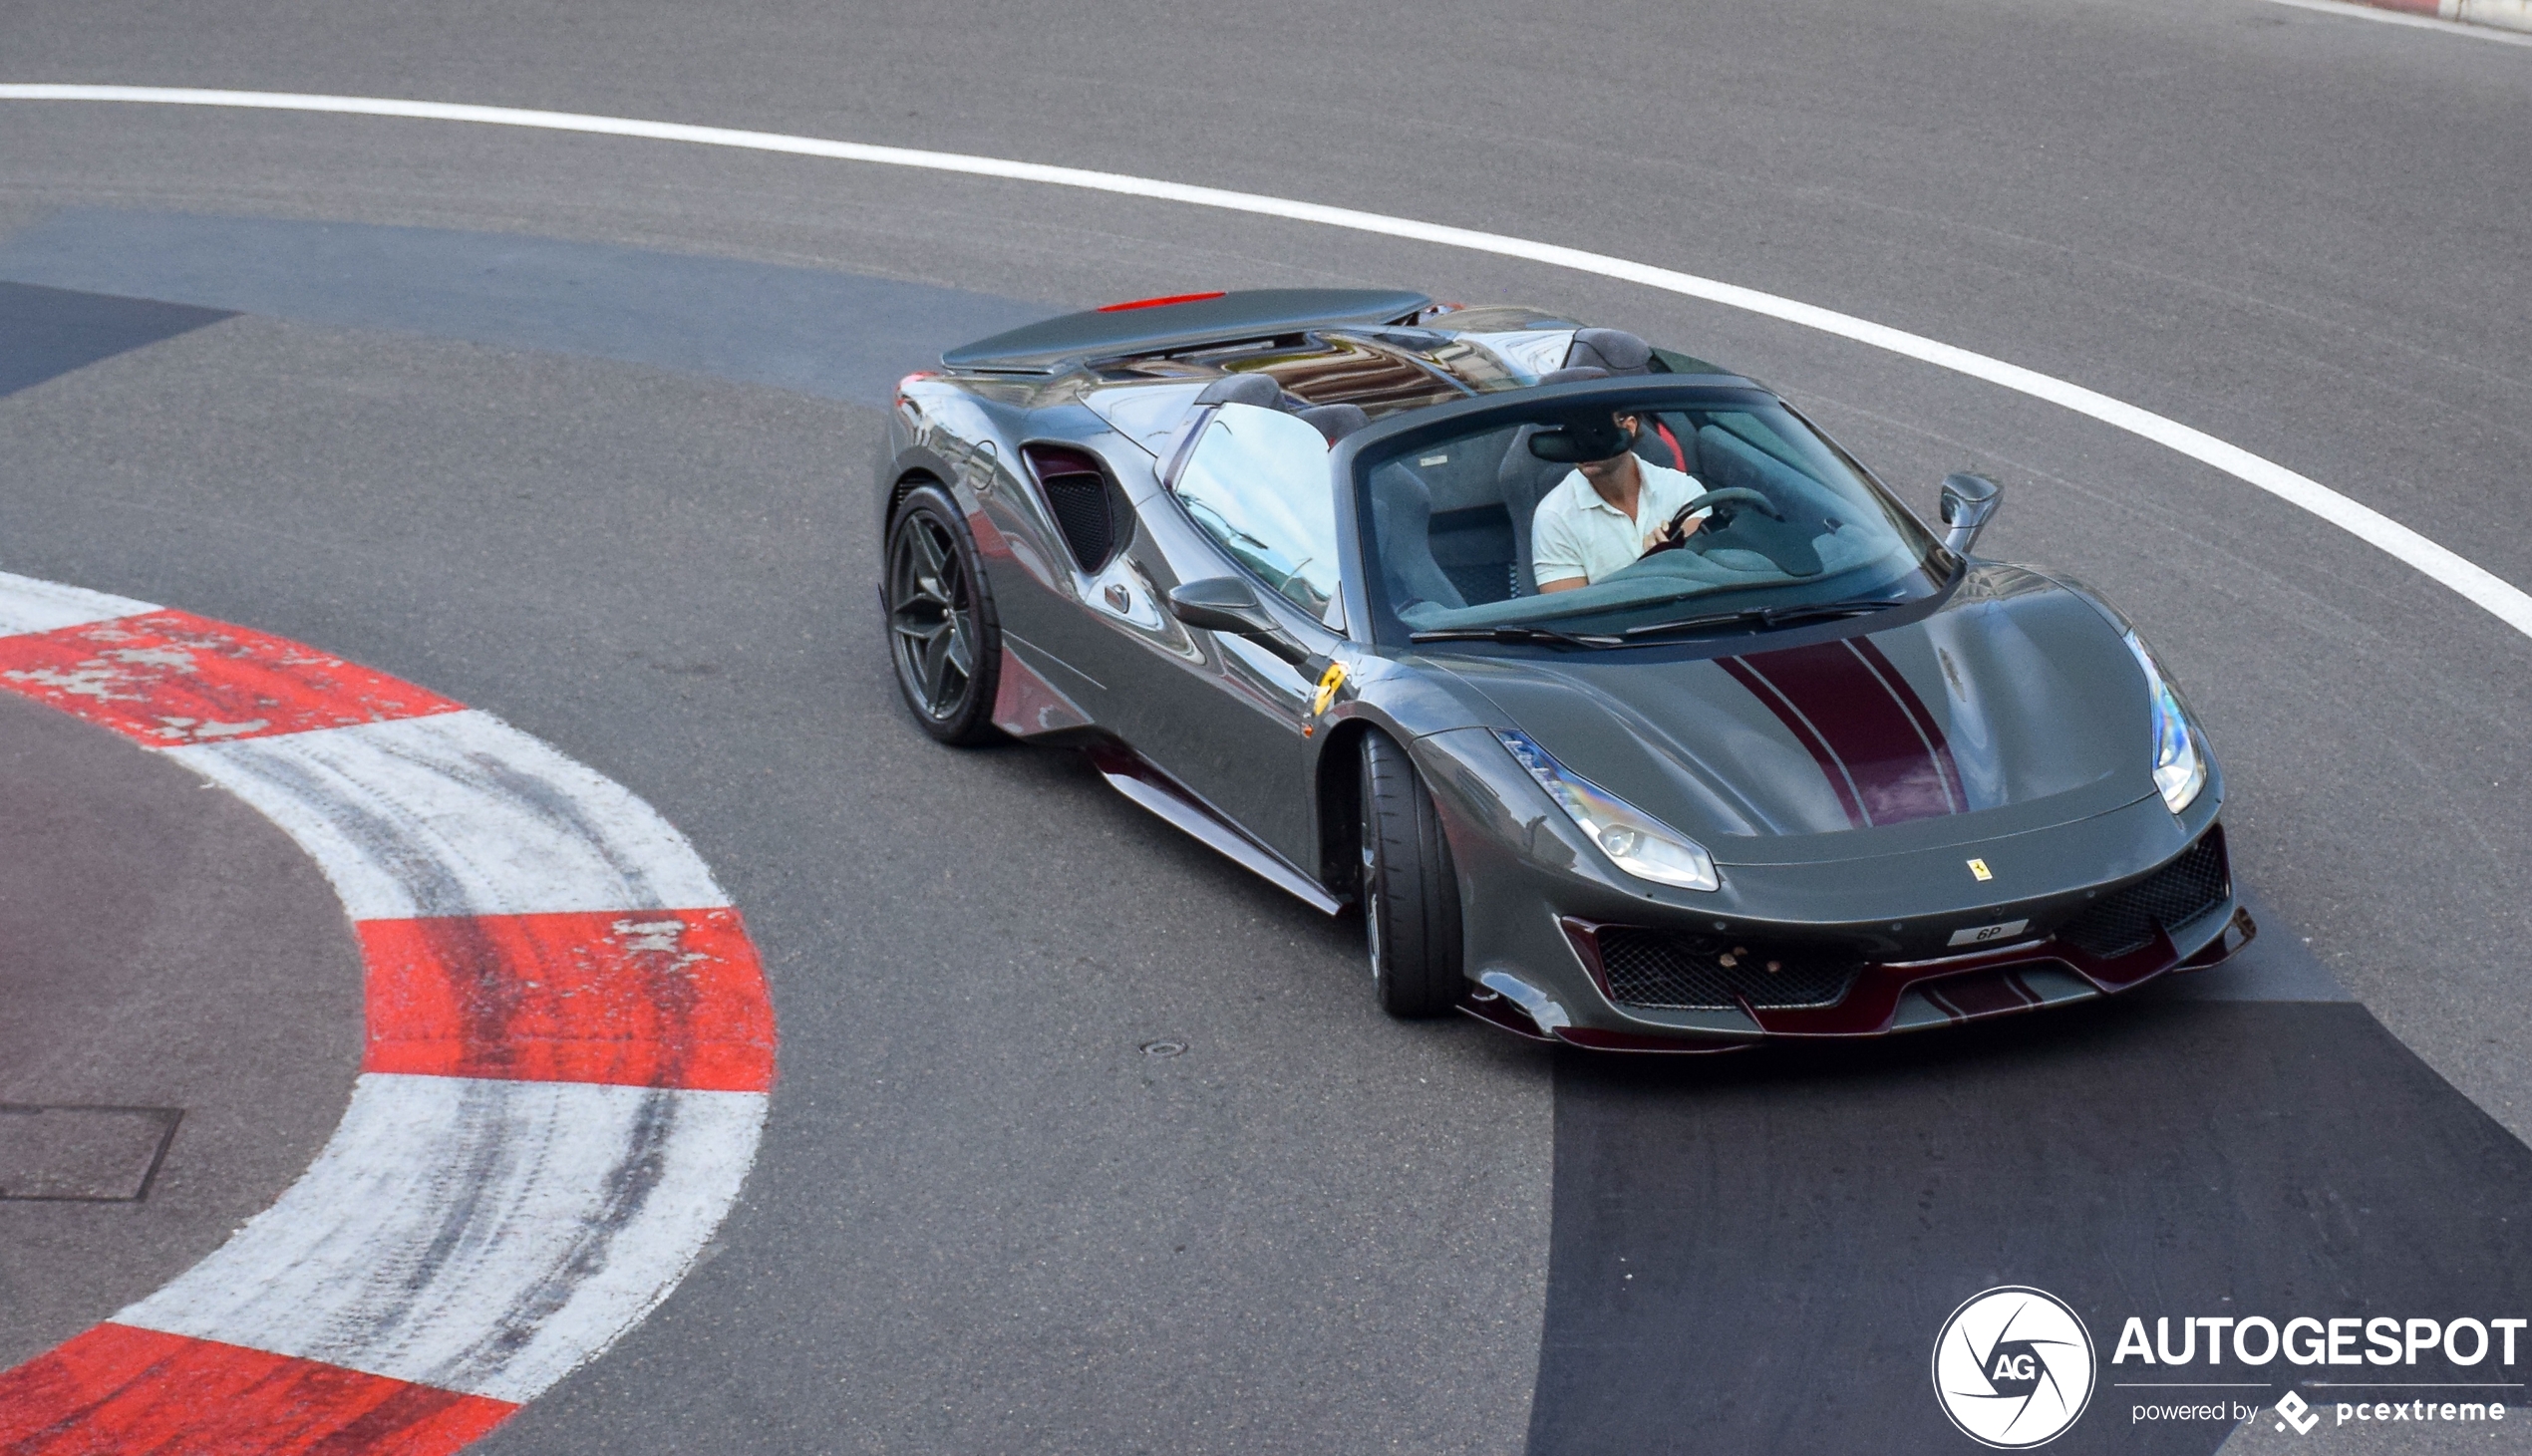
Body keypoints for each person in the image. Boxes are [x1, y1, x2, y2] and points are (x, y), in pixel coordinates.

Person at [1531, 414, 1706, 592]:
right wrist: (1650, 568)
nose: (1582, 444)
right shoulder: (1554, 516)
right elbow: (1570, 612)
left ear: (1629, 427)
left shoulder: (1682, 489)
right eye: (1571, 433)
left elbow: (1707, 572)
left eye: (1595, 431)